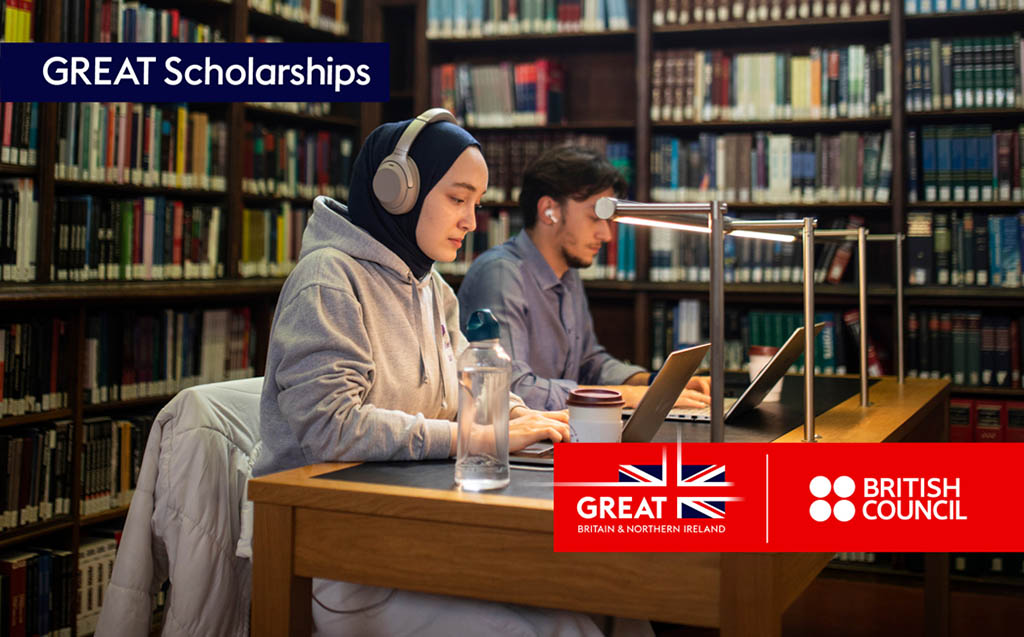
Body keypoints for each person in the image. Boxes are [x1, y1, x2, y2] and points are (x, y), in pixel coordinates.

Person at [255, 110, 652, 637]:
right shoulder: (329, 281)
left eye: (476, 204)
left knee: (615, 600)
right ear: (398, 191)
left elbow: (479, 381)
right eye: (457, 199)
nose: (471, 220)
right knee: (558, 626)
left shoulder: (431, 289)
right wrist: (485, 435)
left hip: (411, 521)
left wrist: (524, 417)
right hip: (339, 550)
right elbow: (332, 428)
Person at [458, 145, 711, 412]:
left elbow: (589, 363)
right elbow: (510, 388)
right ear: (549, 211)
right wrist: (626, 396)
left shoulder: (568, 273)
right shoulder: (500, 275)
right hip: (517, 448)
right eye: (595, 218)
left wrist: (654, 383)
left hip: (558, 435)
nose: (607, 235)